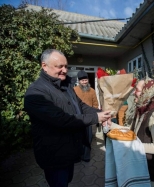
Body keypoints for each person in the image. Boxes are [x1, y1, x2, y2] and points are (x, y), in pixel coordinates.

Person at [24, 49, 111, 187]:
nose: (64, 70)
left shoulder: (66, 85)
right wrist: (95, 117)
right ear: (44, 66)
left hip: (69, 151)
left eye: (66, 66)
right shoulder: (35, 93)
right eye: (59, 66)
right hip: (54, 156)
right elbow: (61, 119)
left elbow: (81, 106)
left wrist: (101, 113)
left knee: (68, 180)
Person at [105, 76, 154, 187]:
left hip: (152, 177)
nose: (133, 93)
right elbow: (132, 134)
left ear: (147, 92)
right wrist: (110, 124)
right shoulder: (141, 112)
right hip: (141, 170)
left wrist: (133, 145)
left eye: (137, 90)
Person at [74, 70, 99, 162]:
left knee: (88, 138)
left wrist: (95, 115)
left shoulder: (92, 91)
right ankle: (77, 156)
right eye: (82, 80)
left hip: (88, 117)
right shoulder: (74, 90)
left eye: (86, 80)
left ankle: (86, 156)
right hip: (78, 117)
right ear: (79, 81)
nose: (84, 82)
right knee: (78, 137)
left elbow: (95, 104)